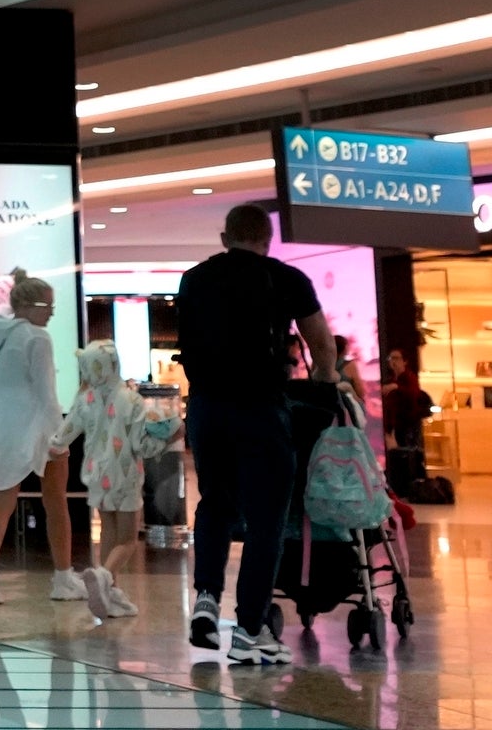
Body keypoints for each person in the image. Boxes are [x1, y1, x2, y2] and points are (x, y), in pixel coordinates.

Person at [172, 200, 336, 667]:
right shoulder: (286, 279)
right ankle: (248, 629)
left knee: (215, 505)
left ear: (225, 238)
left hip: (206, 408)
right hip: (261, 410)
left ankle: (206, 598)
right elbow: (320, 341)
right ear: (267, 240)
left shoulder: (194, 278)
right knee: (267, 520)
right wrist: (326, 380)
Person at [0, 278, 124, 619]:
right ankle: (62, 578)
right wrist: (59, 437)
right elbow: (47, 395)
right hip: (37, 426)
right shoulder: (39, 338)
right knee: (55, 501)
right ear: (29, 306)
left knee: (3, 499)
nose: (51, 314)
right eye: (47, 307)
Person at [65, 340, 154, 618]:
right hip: (125, 475)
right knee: (128, 538)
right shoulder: (132, 399)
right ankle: (104, 576)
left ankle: (109, 591)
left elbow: (63, 434)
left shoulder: (84, 400)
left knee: (108, 532)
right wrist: (168, 440)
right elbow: (141, 444)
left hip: (96, 473)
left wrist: (51, 447)